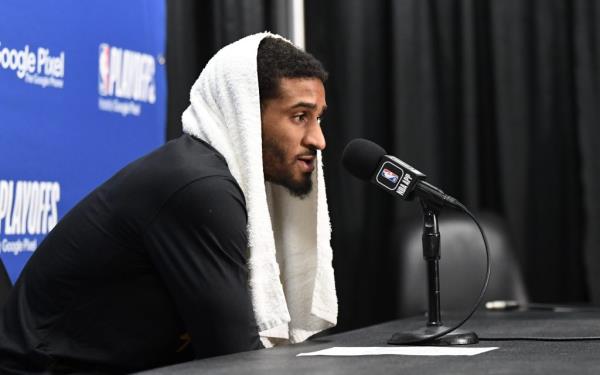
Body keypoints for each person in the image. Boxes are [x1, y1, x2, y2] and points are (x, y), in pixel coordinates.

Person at [0, 33, 337, 373]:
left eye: (318, 118)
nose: (318, 140)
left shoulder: (218, 179)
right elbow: (236, 361)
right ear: (246, 113)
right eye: (299, 117)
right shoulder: (200, 187)